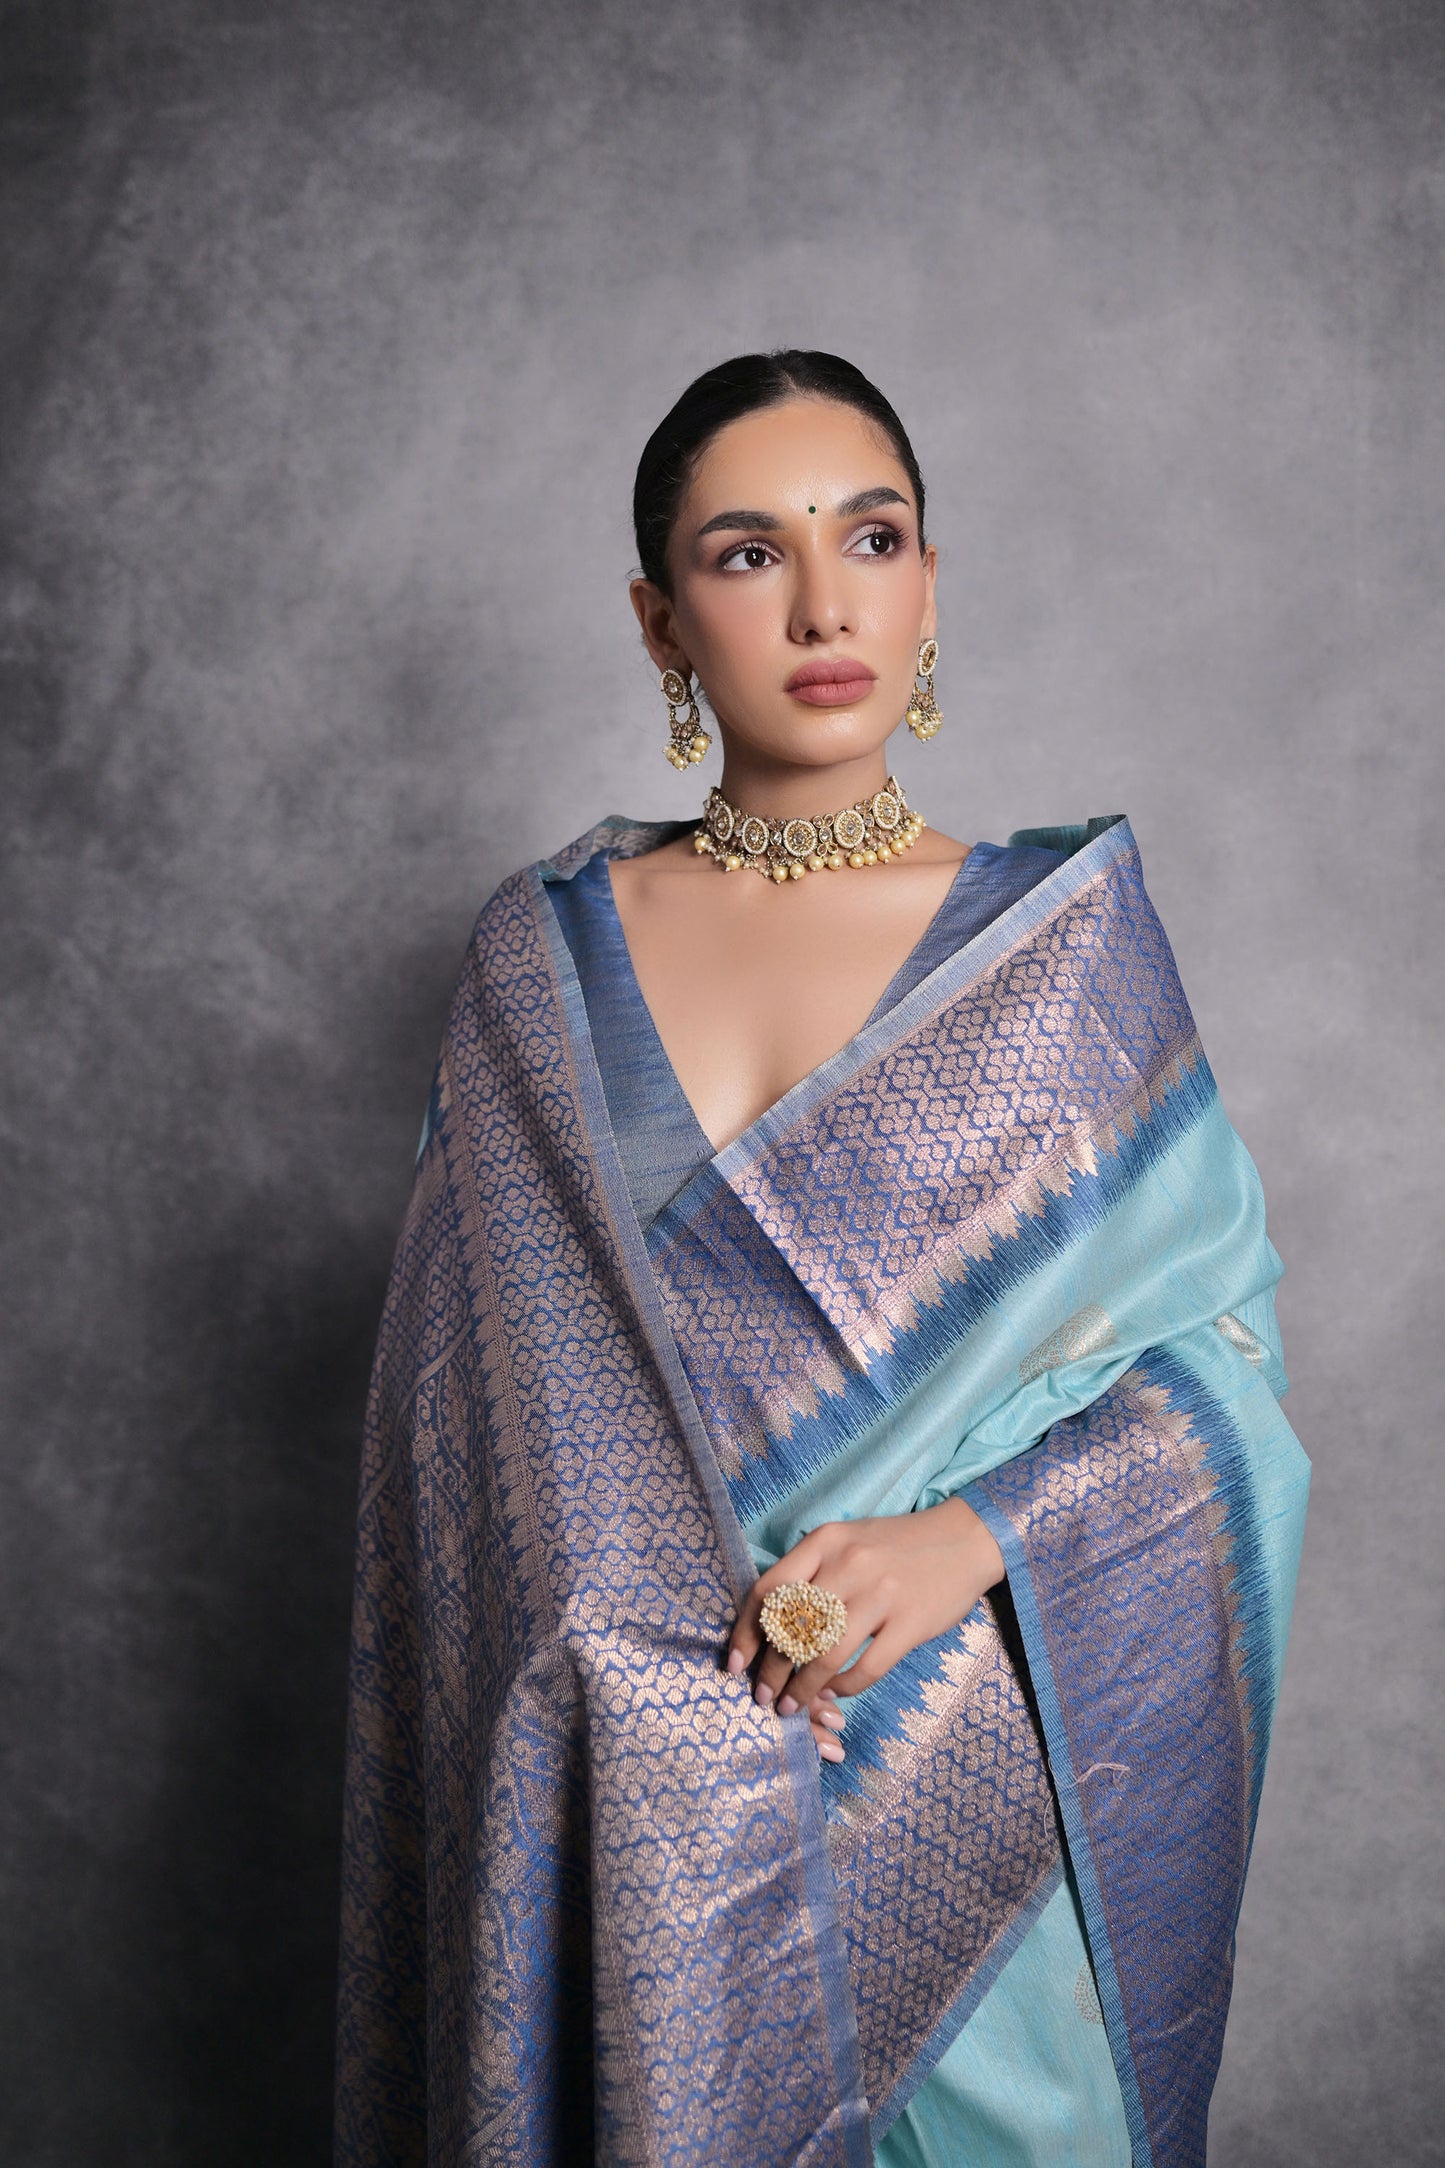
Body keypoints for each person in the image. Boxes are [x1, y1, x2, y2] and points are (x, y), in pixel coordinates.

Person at [334, 351, 1310, 2167]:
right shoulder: (534, 970)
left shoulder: (1063, 954)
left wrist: (974, 1539)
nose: (820, 603)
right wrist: (645, 1698)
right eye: (745, 552)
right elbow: (466, 1458)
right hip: (636, 1832)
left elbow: (1220, 1377)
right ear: (659, 620)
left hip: (975, 1798)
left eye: (869, 537)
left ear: (928, 581)